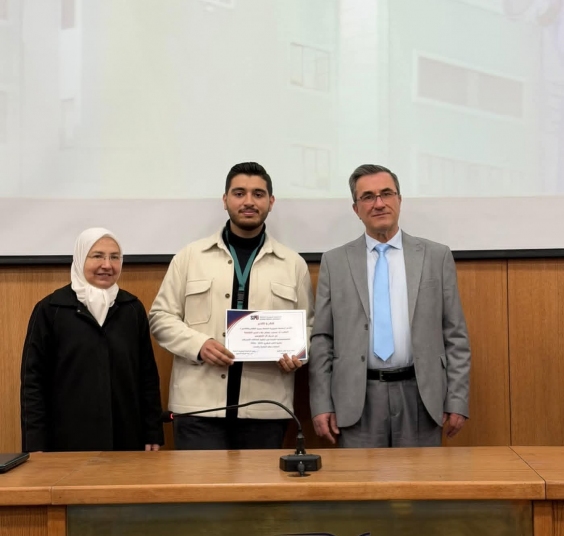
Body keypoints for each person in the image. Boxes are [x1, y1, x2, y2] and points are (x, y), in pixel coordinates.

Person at [149, 161, 314, 450]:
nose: (249, 201)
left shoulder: (293, 264)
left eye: (258, 194)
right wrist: (199, 345)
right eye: (239, 193)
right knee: (200, 482)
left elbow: (309, 326)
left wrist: (298, 354)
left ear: (271, 202)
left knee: (259, 483)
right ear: (225, 200)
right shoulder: (190, 257)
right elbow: (161, 317)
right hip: (198, 408)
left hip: (266, 407)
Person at [309, 164, 470, 448]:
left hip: (421, 397)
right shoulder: (334, 262)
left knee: (421, 478)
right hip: (356, 400)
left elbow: (454, 334)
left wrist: (457, 398)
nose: (379, 203)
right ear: (356, 208)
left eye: (386, 194)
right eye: (367, 197)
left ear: (399, 199)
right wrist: (321, 403)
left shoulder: (436, 256)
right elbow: (323, 338)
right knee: (360, 478)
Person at [21, 228, 163, 452]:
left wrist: (152, 432)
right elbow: (33, 382)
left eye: (114, 257)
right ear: (80, 258)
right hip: (66, 441)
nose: (107, 265)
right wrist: (35, 443)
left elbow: (147, 377)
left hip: (126, 438)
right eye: (97, 256)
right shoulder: (50, 309)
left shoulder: (131, 308)